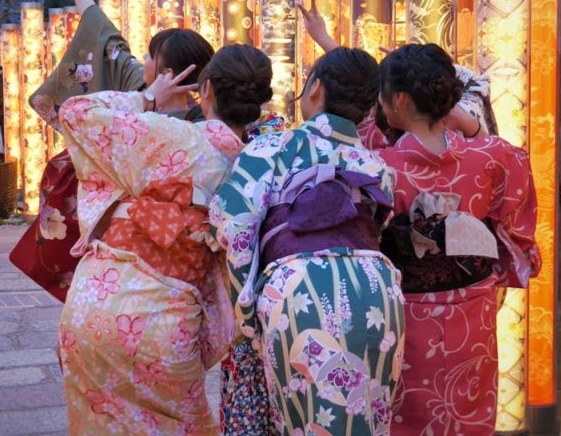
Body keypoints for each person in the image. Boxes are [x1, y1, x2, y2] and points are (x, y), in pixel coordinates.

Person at [57, 45, 274, 434]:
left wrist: (147, 96)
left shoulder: (169, 136)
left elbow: (74, 112)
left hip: (95, 301)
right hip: (166, 322)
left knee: (96, 422)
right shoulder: (263, 165)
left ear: (205, 90)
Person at [210, 47, 405, 435]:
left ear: (314, 89)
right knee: (366, 417)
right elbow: (373, 229)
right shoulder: (376, 167)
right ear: (368, 107)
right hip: (377, 290)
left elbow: (233, 223)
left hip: (300, 290)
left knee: (302, 422)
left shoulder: (270, 148)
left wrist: (246, 310)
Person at [11, 0, 217, 301]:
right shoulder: (200, 123)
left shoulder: (149, 103)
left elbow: (82, 102)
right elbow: (105, 37)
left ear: (167, 72)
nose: (142, 61)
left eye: (150, 57)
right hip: (138, 248)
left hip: (157, 246)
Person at [373, 43, 539, 435]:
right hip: (474, 308)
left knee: (407, 413)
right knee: (468, 410)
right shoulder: (490, 159)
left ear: (397, 100)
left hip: (408, 310)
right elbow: (515, 216)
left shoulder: (381, 167)